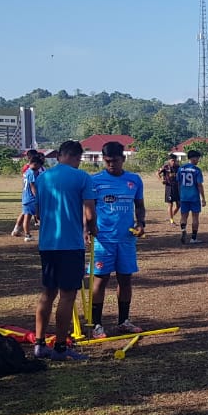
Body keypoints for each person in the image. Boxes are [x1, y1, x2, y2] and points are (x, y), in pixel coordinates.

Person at [33, 140, 96, 361]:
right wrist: (93, 229)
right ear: (77, 157)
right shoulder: (82, 177)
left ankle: (39, 344)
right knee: (67, 295)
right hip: (70, 245)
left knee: (48, 293)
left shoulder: (42, 177)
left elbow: (37, 211)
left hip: (47, 244)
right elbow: (89, 212)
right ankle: (60, 347)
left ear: (59, 155)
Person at [88, 142, 146, 338]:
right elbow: (87, 209)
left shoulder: (134, 180)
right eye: (107, 161)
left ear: (124, 159)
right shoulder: (94, 181)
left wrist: (141, 223)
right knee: (100, 280)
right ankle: (96, 323)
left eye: (115, 160)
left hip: (126, 239)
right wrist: (86, 229)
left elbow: (139, 205)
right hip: (103, 239)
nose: (111, 164)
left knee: (125, 279)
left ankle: (124, 321)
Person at [177, 149, 207, 244]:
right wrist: (203, 198)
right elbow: (199, 185)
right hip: (194, 197)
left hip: (183, 196)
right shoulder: (196, 170)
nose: (198, 160)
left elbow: (178, 183)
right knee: (195, 217)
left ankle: (183, 230)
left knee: (183, 216)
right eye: (197, 158)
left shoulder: (181, 169)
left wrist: (179, 195)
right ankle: (193, 238)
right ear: (193, 158)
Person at [12, 153, 44, 240]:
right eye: (39, 166)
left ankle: (27, 235)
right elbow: (32, 186)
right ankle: (29, 235)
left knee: (27, 216)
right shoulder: (32, 173)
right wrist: (37, 197)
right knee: (38, 215)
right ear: (35, 164)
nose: (39, 168)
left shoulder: (27, 172)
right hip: (31, 198)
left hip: (26, 197)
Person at [157, 154, 181, 225]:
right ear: (169, 161)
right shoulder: (165, 167)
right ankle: (171, 220)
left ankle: (171, 217)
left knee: (179, 205)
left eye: (175, 160)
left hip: (177, 187)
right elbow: (157, 173)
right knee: (170, 204)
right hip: (169, 187)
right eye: (172, 160)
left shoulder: (178, 167)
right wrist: (161, 180)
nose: (173, 162)